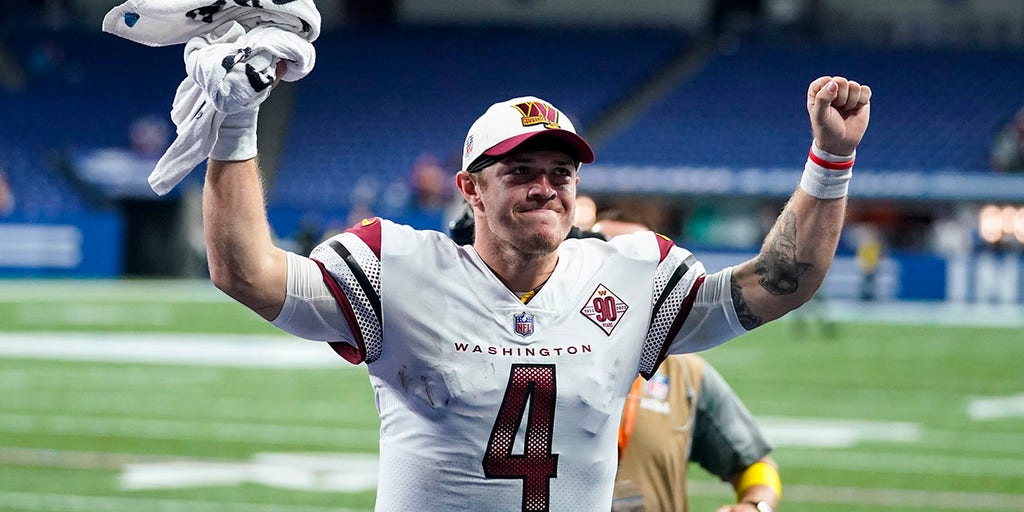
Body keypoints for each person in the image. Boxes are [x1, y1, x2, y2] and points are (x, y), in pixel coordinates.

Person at [201, 68, 870, 510]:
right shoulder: (397, 266)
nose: (546, 187)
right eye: (521, 171)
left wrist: (832, 161)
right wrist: (235, 121)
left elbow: (780, 282)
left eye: (561, 171)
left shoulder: (630, 272)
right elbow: (246, 271)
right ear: (471, 189)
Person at [593, 212, 781, 512]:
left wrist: (756, 506)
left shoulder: (687, 375)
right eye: (603, 253)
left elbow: (754, 462)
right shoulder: (543, 360)